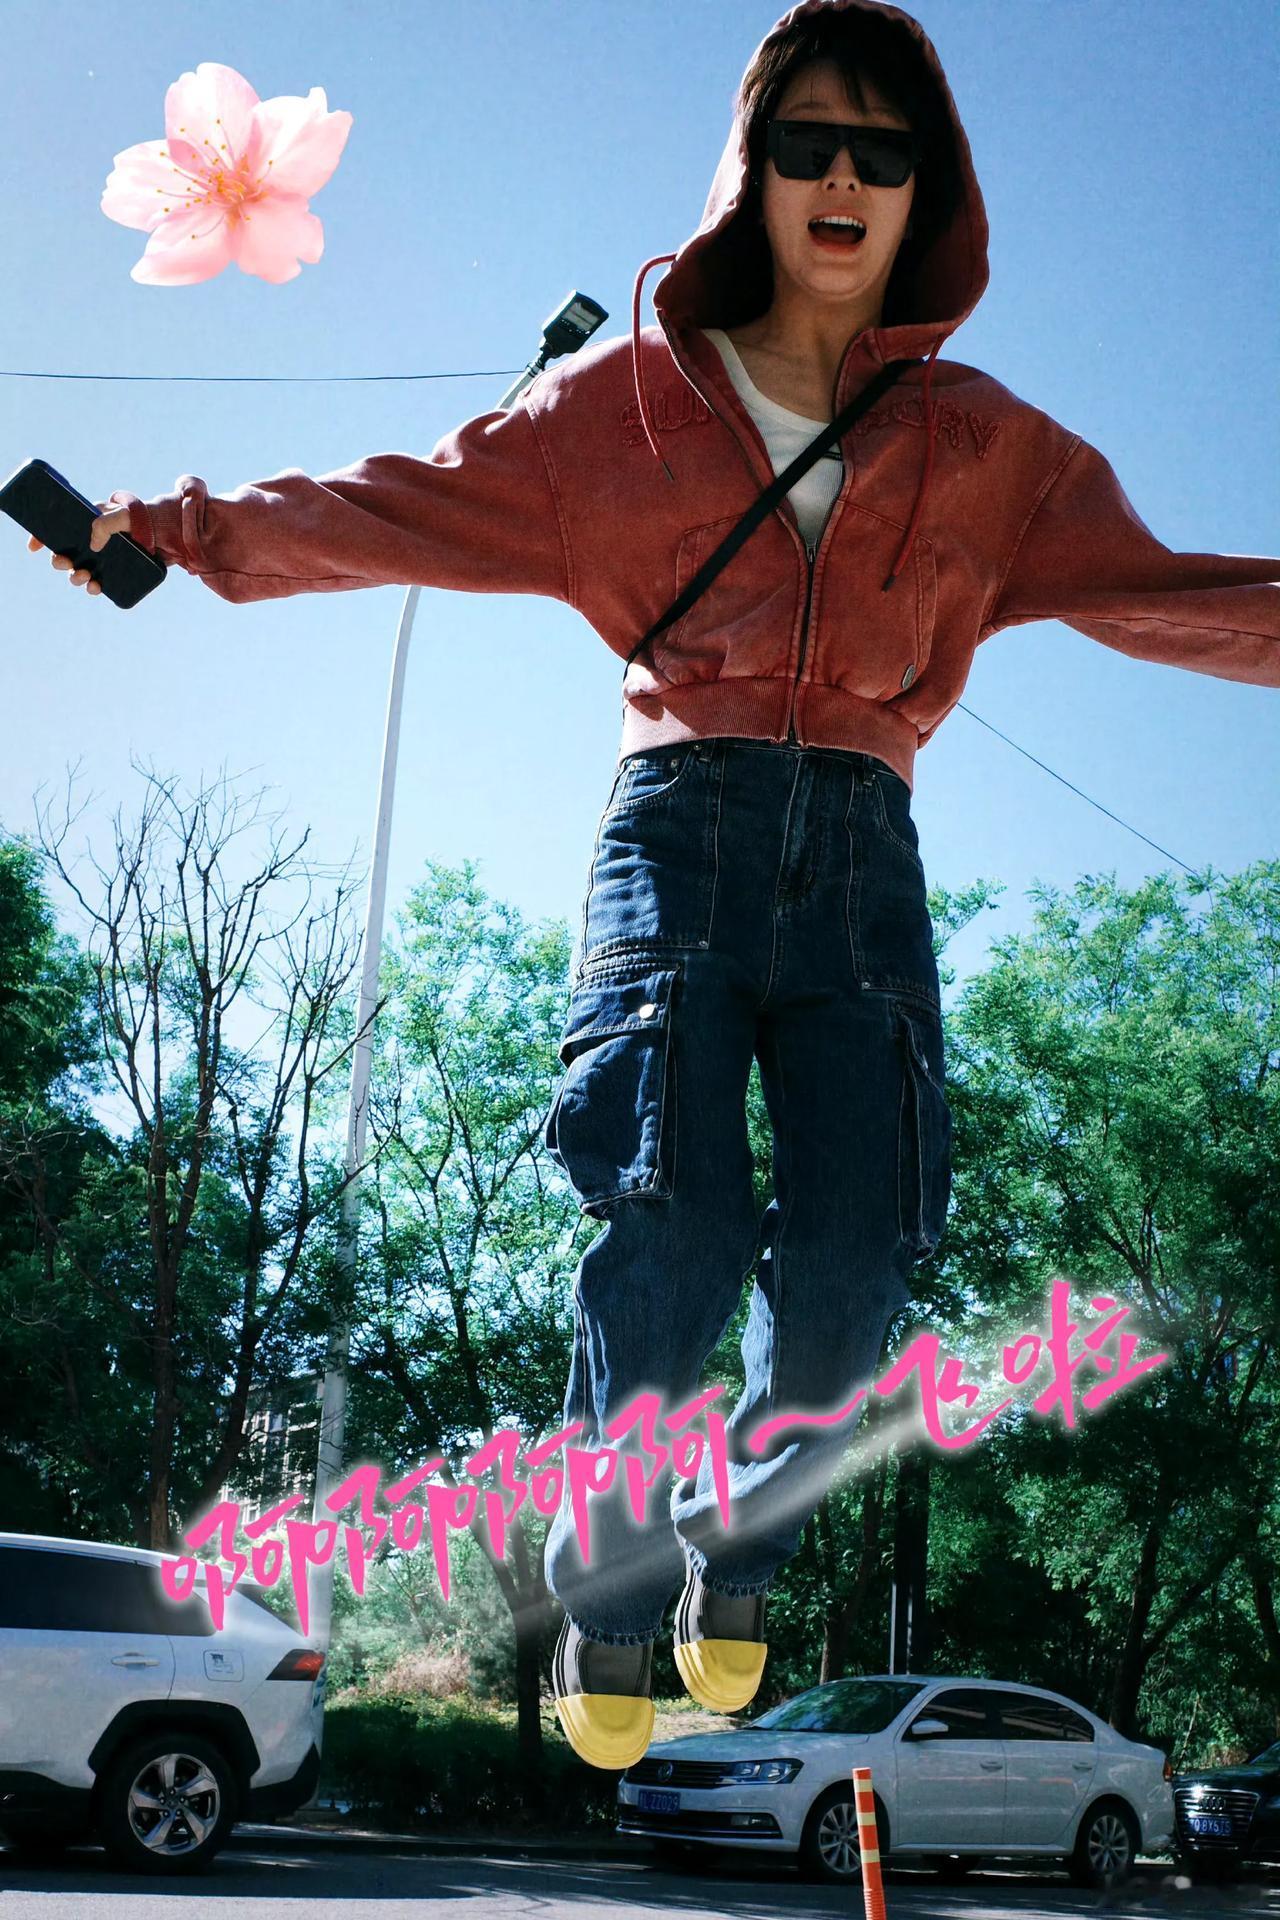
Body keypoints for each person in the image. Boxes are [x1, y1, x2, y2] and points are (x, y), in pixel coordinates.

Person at [33, 0, 1279, 1775]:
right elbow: (392, 504)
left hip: (865, 858)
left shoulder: (994, 448)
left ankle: (740, 1545)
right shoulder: (618, 408)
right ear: (751, 173)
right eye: (807, 143)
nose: (842, 179)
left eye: (882, 152)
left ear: (927, 192)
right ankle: (610, 1572)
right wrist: (173, 530)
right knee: (668, 1224)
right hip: (678, 834)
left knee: (859, 1253)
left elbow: (1179, 593)